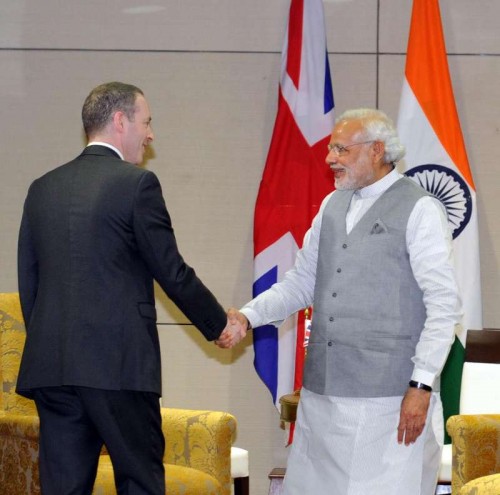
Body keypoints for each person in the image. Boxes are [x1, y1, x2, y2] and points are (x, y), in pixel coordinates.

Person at [17, 81, 239, 495]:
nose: (151, 133)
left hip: (52, 368)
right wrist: (217, 324)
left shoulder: (41, 188)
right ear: (120, 121)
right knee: (140, 483)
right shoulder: (137, 185)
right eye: (147, 121)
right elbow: (171, 271)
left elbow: (29, 283)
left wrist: (52, 340)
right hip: (118, 366)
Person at [229, 108, 462, 494]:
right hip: (323, 398)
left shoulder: (420, 209)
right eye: (330, 149)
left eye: (341, 149)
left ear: (376, 151)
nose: (329, 158)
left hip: (390, 401)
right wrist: (248, 317)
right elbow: (301, 283)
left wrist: (420, 386)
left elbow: (443, 306)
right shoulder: (329, 207)